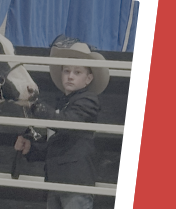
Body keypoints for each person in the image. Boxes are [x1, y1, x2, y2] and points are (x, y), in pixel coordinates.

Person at [15, 37, 109, 209]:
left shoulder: (89, 100)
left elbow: (66, 124)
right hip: (60, 183)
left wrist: (36, 105)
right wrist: (31, 148)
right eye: (66, 71)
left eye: (77, 72)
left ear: (88, 79)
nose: (70, 76)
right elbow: (58, 143)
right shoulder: (65, 103)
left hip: (74, 185)